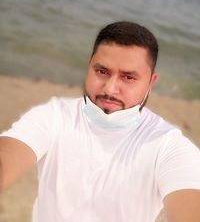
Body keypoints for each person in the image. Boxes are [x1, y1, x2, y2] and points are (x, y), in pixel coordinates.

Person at [0, 21, 200, 222]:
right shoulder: (54, 116)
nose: (110, 89)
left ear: (150, 82)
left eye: (128, 77)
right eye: (102, 71)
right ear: (89, 67)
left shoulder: (167, 145)